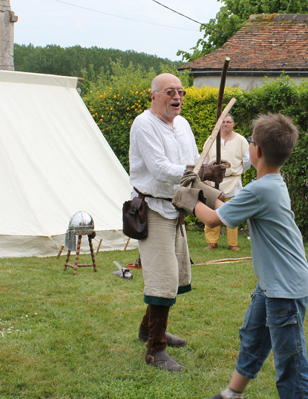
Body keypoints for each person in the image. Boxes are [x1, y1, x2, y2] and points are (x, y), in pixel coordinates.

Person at [173, 113, 308, 398]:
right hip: (272, 283)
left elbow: (213, 220)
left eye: (251, 141)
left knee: (291, 362)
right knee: (253, 337)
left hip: (284, 289)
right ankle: (231, 394)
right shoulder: (272, 183)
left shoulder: (260, 189)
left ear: (257, 151)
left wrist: (187, 198)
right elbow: (231, 205)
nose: (249, 144)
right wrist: (203, 189)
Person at [128, 73, 228, 371]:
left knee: (177, 274)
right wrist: (203, 170)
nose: (178, 97)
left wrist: (212, 175)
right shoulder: (143, 124)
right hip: (152, 208)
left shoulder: (182, 125)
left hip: (177, 208)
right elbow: (160, 170)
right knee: (164, 278)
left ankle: (149, 329)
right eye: (170, 92)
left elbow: (194, 164)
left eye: (181, 92)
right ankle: (154, 349)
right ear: (154, 96)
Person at [202, 114, 251, 251]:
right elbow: (205, 158)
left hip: (232, 181)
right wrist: (206, 176)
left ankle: (232, 243)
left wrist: (237, 171)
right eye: (223, 122)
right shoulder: (212, 139)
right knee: (213, 210)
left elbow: (247, 160)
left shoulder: (240, 140)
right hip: (213, 182)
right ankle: (212, 242)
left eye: (228, 122)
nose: (226, 124)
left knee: (232, 211)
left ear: (233, 124)